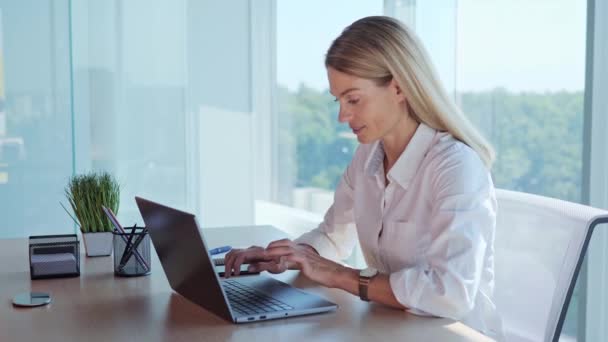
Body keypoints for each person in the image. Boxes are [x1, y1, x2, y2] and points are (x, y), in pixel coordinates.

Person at [224, 15, 503, 339]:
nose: (343, 116)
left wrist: (342, 276)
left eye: (353, 99)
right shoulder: (368, 156)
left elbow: (450, 293)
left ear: (398, 87)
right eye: (338, 100)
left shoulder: (456, 167)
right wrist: (288, 256)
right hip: (391, 329)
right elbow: (332, 237)